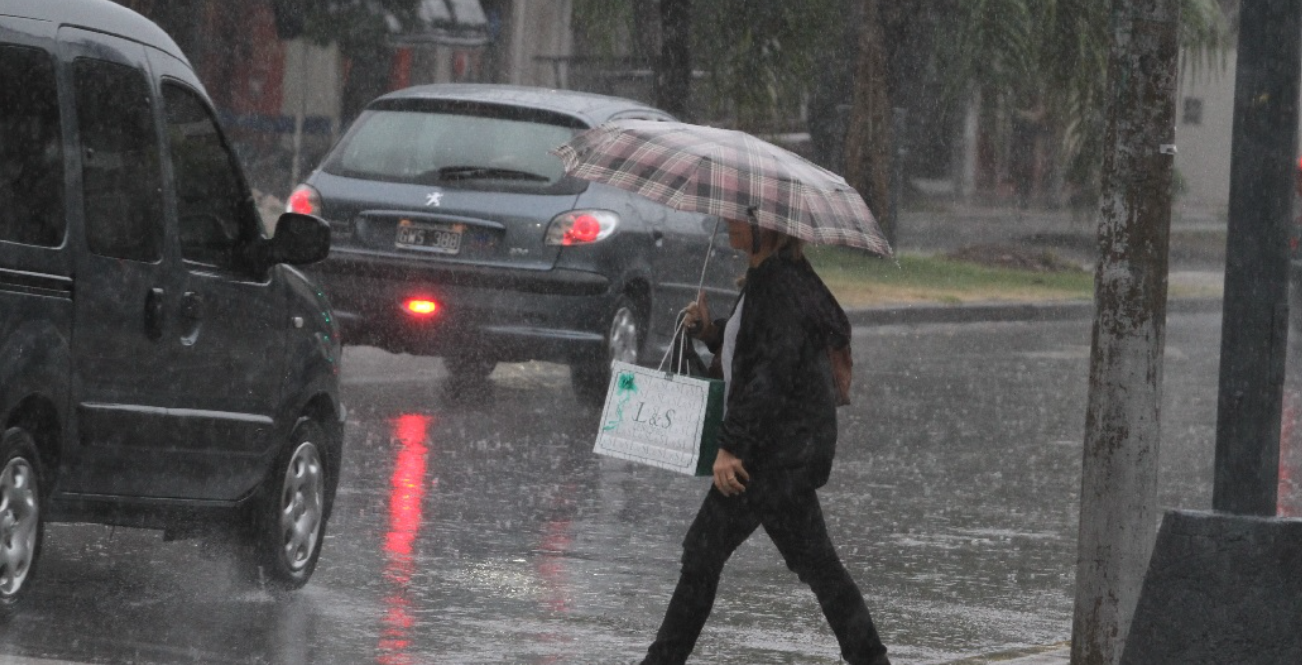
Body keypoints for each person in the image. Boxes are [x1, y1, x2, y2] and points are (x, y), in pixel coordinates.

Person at [638, 216, 891, 665]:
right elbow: (752, 349)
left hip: (769, 456)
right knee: (818, 566)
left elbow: (767, 377)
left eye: (741, 215)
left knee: (703, 552)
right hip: (784, 453)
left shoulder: (778, 287)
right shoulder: (768, 278)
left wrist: (731, 447)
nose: (729, 221)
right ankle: (871, 660)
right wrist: (709, 331)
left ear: (769, 227)